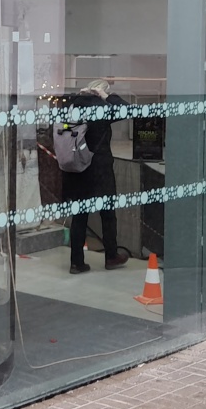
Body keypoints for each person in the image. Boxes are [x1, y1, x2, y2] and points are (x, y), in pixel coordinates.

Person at [63, 79, 131, 274]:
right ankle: (111, 256)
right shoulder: (101, 107)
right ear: (101, 91)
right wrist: (107, 97)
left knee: (79, 216)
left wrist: (78, 95)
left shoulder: (73, 106)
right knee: (107, 214)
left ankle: (77, 262)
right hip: (100, 169)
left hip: (77, 169)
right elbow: (127, 109)